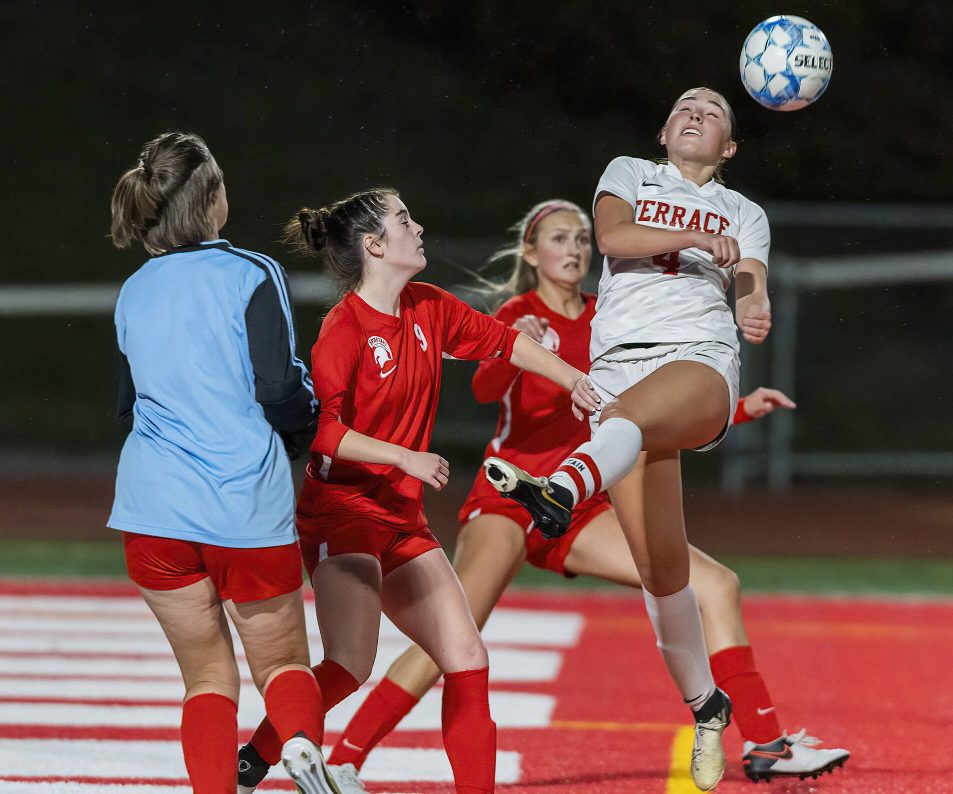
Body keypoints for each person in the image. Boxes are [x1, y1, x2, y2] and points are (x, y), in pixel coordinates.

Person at [330, 199, 849, 785]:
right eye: (559, 238)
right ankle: (344, 758)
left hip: (579, 503)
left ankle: (766, 741)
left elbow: (652, 402)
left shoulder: (612, 320)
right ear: (532, 254)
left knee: (716, 584)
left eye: (581, 237)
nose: (575, 248)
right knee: (453, 638)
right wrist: (517, 345)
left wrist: (739, 411)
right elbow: (483, 388)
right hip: (510, 495)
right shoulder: (520, 311)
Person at [235, 188, 600, 794]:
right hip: (342, 513)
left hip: (402, 518)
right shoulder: (344, 329)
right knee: (350, 667)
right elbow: (322, 432)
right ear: (375, 245)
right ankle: (255, 760)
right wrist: (403, 456)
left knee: (468, 659)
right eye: (405, 220)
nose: (419, 226)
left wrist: (572, 378)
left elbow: (504, 342)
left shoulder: (428, 305)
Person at [484, 87, 778, 792]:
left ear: (729, 148)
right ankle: (708, 707)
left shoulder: (746, 212)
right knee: (662, 573)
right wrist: (693, 237)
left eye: (713, 110)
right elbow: (613, 237)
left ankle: (563, 486)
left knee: (629, 424)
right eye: (685, 104)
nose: (696, 110)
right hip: (618, 374)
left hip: (699, 363)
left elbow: (749, 281)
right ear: (663, 129)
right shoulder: (629, 174)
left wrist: (754, 301)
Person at [108, 131, 340, 793]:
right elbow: (278, 389)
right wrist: (305, 427)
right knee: (285, 667)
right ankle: (298, 747)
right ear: (213, 201)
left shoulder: (134, 289)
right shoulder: (252, 272)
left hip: (154, 510)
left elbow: (125, 401)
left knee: (207, 678)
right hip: (244, 504)